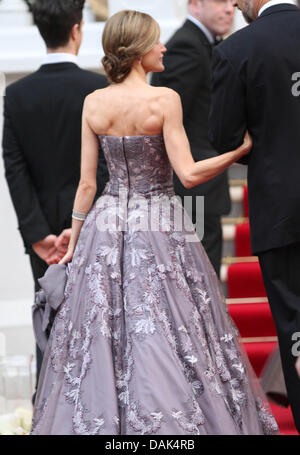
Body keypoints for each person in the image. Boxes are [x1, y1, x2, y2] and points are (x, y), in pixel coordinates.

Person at [29, 10, 278, 435]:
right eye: (157, 42)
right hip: (159, 222)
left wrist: (75, 239)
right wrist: (240, 152)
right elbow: (190, 174)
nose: (163, 47)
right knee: (172, 328)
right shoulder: (164, 100)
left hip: (106, 224)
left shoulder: (95, 102)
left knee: (106, 332)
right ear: (140, 51)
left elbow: (88, 186)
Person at [2, 0, 109, 405]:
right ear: (78, 30)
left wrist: (38, 235)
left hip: (43, 232)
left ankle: (48, 410)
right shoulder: (96, 89)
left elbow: (14, 168)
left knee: (47, 320)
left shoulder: (17, 95)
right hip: (90, 224)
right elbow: (103, 169)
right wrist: (80, 225)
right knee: (94, 321)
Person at [208, 0, 300, 434]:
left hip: (282, 210)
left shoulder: (237, 49)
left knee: (294, 330)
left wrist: (265, 141)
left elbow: (224, 138)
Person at [151, 0, 234, 277]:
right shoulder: (187, 44)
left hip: (201, 183)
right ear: (195, 5)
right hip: (192, 185)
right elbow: (165, 117)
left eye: (233, 3)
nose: (230, 9)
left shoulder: (203, 42)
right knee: (198, 275)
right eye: (220, 1)